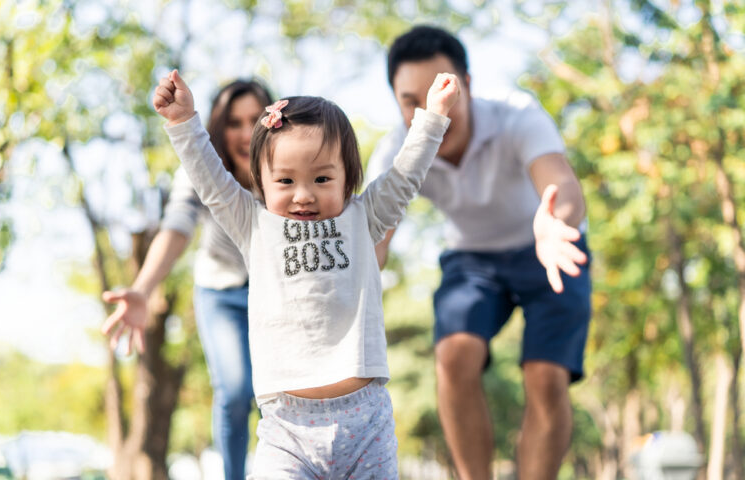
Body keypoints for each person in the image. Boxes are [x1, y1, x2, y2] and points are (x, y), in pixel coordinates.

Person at [105, 68, 459, 478]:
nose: (304, 194)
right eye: (286, 180)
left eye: (323, 178)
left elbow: (405, 176)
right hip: (287, 431)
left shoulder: (365, 218)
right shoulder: (253, 224)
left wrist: (431, 118)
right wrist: (183, 122)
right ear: (262, 181)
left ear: (348, 179)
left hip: (367, 425)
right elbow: (210, 182)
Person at [367, 26, 591, 480]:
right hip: (472, 260)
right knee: (453, 355)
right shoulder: (396, 150)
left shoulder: (516, 115)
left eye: (442, 92)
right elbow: (374, 243)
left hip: (549, 245)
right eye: (410, 101)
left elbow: (562, 183)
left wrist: (556, 222)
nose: (430, 112)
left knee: (546, 378)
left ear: (467, 85)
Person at [100, 79, 272, 480]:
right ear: (218, 126)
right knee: (233, 392)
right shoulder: (201, 164)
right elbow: (177, 226)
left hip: (274, 296)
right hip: (220, 292)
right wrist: (143, 288)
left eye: (254, 120)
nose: (245, 133)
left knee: (278, 395)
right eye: (234, 122)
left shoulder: (285, 167)